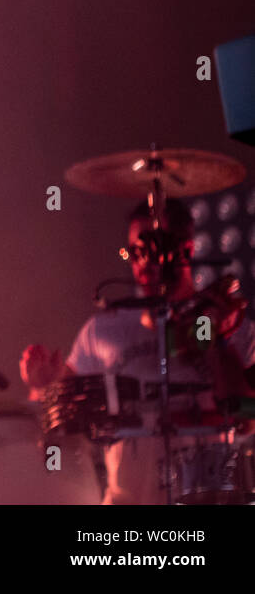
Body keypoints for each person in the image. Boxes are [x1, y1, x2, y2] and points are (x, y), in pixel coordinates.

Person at [20, 199, 255, 503]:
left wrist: (212, 335)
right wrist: (44, 385)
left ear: (187, 250)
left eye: (156, 247)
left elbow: (248, 417)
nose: (145, 261)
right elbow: (59, 415)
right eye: (136, 252)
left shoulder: (231, 322)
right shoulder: (103, 330)